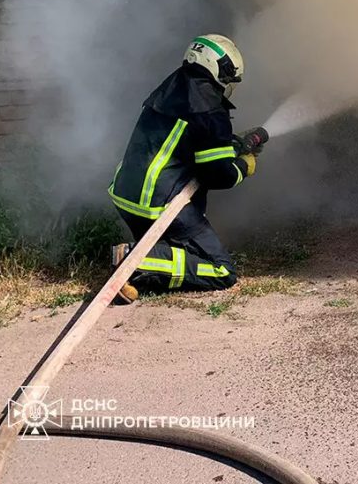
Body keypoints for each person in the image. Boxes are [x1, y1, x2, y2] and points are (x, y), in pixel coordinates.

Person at [108, 34, 261, 303]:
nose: (227, 84)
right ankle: (138, 262)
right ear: (217, 68)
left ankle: (142, 267)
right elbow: (217, 173)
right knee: (221, 271)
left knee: (173, 250)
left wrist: (232, 145)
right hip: (160, 205)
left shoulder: (173, 86)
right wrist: (242, 167)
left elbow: (189, 142)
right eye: (227, 77)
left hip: (128, 196)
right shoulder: (209, 107)